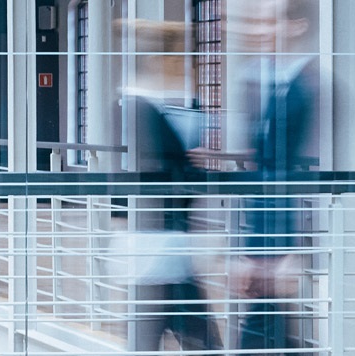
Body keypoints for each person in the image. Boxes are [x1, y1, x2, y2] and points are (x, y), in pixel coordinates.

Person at [111, 19, 221, 352]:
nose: (188, 68)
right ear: (162, 61)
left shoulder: (140, 107)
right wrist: (196, 169)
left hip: (160, 248)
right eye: (182, 59)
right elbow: (166, 174)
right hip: (161, 248)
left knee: (152, 336)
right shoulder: (141, 110)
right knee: (198, 340)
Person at [228, 1, 321, 354]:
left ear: (295, 26)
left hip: (279, 238)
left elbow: (283, 176)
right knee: (273, 330)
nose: (258, 31)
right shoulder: (267, 80)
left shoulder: (303, 88)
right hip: (268, 237)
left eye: (268, 23)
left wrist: (272, 252)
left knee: (260, 332)